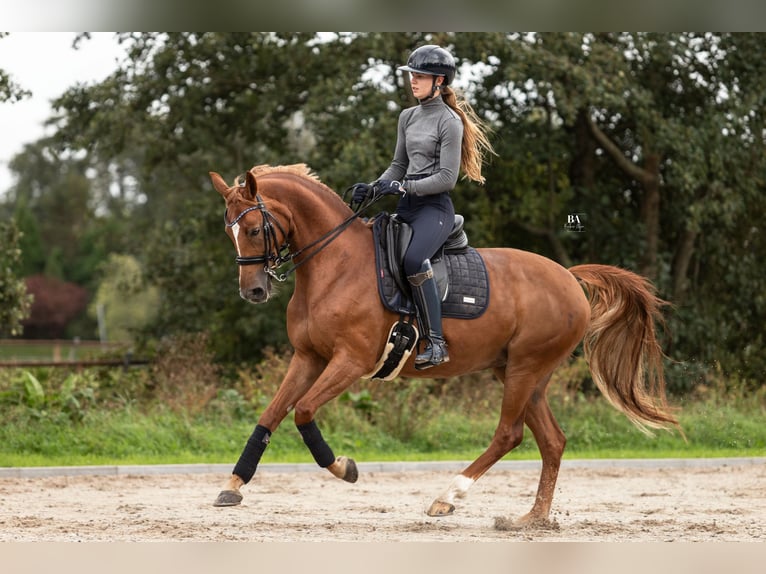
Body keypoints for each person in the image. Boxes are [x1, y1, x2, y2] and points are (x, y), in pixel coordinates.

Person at [352, 44, 495, 370]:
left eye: (420, 76)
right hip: (408, 206)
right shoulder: (408, 117)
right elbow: (397, 165)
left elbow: (446, 178)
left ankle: (436, 342)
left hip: (435, 210)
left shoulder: (450, 122)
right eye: (412, 75)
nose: (413, 81)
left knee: (415, 259)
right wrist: (374, 187)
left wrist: (403, 186)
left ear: (440, 81)